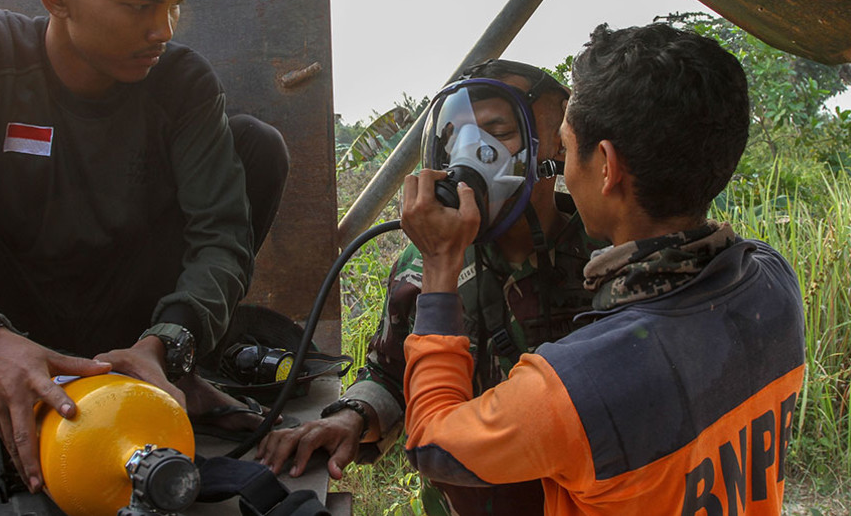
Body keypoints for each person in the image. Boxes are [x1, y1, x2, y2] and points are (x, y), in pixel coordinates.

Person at [0, 0, 288, 493]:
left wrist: (167, 341)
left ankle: (169, 374)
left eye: (176, 3)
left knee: (254, 145)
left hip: (125, 345)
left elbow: (221, 237)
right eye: (139, 5)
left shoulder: (181, 84)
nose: (164, 29)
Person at [400, 23, 805, 515]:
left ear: (608, 166)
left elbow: (432, 445)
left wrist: (441, 265)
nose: (563, 166)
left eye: (566, 148)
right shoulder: (772, 282)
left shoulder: (578, 385)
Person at [258, 60, 602, 515]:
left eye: (497, 129)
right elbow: (389, 374)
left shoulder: (604, 257)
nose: (470, 151)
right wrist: (351, 416)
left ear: (557, 142)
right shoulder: (419, 261)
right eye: (454, 136)